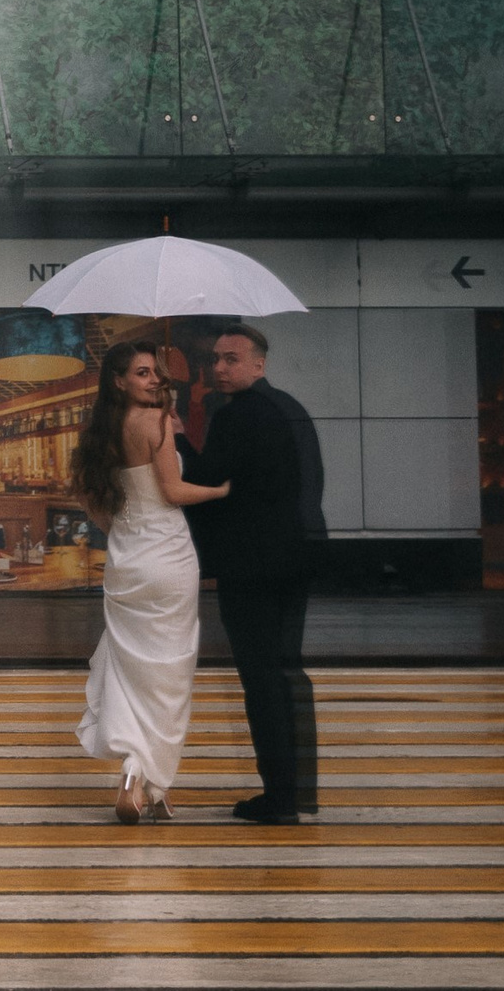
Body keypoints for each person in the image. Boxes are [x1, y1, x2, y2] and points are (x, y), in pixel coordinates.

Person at [70, 342, 230, 823]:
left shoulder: (99, 432)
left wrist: (118, 527)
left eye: (156, 372)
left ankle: (146, 783)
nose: (154, 379)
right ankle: (143, 772)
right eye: (142, 373)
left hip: (127, 558)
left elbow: (89, 498)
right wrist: (225, 489)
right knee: (168, 676)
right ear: (119, 380)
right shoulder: (154, 423)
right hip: (168, 555)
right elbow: (172, 491)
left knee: (131, 669)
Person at [183, 322, 325, 823]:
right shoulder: (290, 408)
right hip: (297, 557)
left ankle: (280, 798)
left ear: (258, 363)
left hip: (252, 565)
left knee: (260, 678)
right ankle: (294, 792)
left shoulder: (236, 414)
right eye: (216, 359)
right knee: (283, 672)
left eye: (231, 359)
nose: (219, 368)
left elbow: (207, 481)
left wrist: (179, 442)